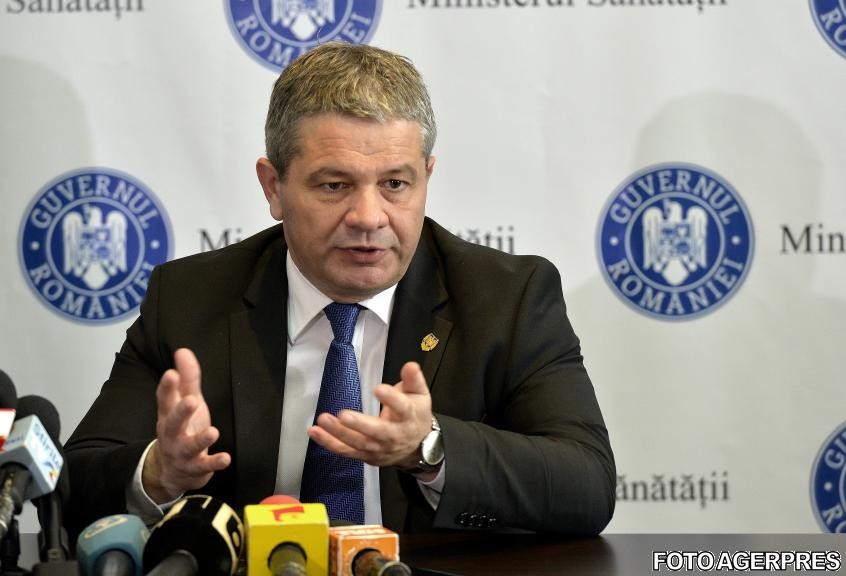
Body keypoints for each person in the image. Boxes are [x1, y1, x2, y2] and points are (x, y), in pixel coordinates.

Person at [64, 42, 615, 537]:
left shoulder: (507, 299)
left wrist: (429, 448)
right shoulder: (190, 298)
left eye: (395, 184)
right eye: (334, 185)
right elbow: (73, 486)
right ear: (273, 187)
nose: (369, 217)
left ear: (426, 177)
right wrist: (159, 473)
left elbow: (587, 486)